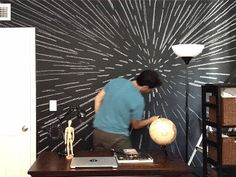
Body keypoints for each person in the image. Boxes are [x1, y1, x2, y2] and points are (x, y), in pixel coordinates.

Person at [93, 70, 162, 150]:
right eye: (151, 89)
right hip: (118, 138)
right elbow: (136, 125)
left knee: (101, 160)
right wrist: (151, 120)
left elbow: (97, 99)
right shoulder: (138, 99)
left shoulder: (116, 81)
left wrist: (100, 118)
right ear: (145, 87)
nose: (151, 91)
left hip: (98, 133)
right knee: (127, 161)